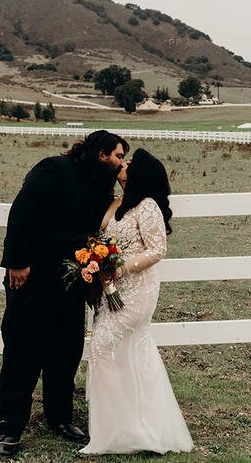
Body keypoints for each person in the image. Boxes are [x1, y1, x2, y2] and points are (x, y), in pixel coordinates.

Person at [0, 129, 129, 458]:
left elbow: (106, 225)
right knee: (22, 351)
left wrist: (127, 186)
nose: (121, 163)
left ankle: (60, 418)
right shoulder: (53, 169)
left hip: (72, 284)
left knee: (65, 352)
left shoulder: (102, 187)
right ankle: (10, 427)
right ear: (100, 154)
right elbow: (22, 213)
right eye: (118, 156)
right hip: (33, 278)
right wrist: (17, 262)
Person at [80, 149, 193, 455]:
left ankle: (126, 430)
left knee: (102, 346)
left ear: (140, 174)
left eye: (130, 163)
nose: (124, 165)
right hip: (111, 291)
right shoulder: (116, 202)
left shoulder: (148, 207)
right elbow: (100, 239)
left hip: (137, 291)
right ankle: (125, 427)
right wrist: (97, 262)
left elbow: (158, 249)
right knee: (126, 354)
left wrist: (120, 266)